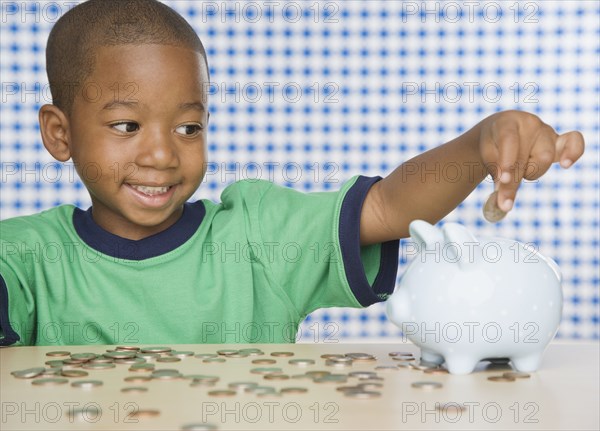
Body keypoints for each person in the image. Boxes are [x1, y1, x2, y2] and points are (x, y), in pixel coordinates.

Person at [0, 0, 584, 346]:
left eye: (188, 128)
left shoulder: (258, 234)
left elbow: (387, 209)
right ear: (60, 133)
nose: (162, 156)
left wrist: (478, 145)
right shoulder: (25, 257)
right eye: (127, 126)